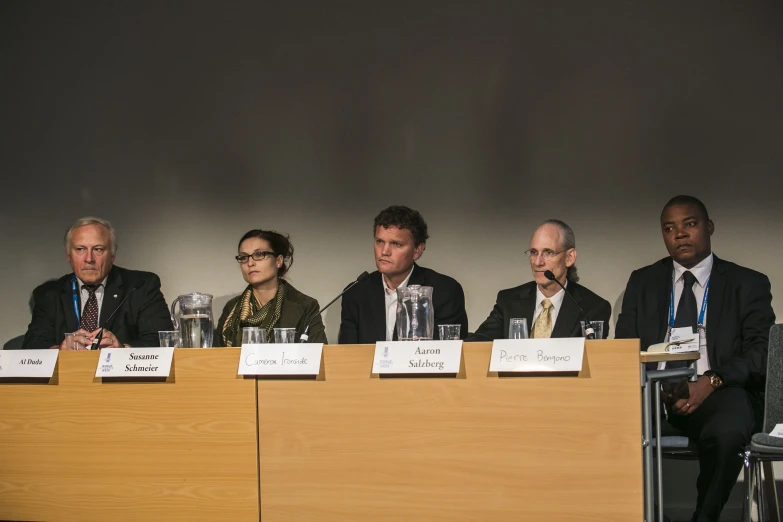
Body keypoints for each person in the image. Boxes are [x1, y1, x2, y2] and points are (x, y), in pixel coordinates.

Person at [616, 195, 775, 522]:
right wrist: (651, 388)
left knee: (731, 429)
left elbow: (761, 353)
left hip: (716, 392)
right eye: (669, 228)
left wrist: (711, 381)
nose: (680, 234)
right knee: (599, 426)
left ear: (709, 227)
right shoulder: (643, 281)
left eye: (690, 224)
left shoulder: (746, 283)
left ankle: (705, 517)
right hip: (652, 396)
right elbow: (625, 347)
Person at [21, 216, 173, 350]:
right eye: (80, 249)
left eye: (98, 249)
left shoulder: (141, 286)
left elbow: (163, 342)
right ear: (68, 255)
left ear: (112, 255)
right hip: (70, 378)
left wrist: (123, 349)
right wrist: (60, 350)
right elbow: (33, 345)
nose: (89, 258)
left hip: (121, 379)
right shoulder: (49, 294)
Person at [338, 205, 468, 344]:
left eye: (396, 244)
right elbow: (347, 355)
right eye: (380, 242)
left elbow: (446, 354)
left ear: (417, 250)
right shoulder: (356, 293)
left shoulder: (444, 291)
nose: (385, 251)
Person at [468, 219, 611, 341]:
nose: (538, 262)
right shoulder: (509, 301)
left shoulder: (592, 308)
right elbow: (479, 342)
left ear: (570, 258)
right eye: (533, 253)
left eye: (548, 253)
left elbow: (595, 359)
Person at [214, 229, 326, 346]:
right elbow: (215, 356)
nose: (250, 263)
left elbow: (318, 356)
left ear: (278, 261)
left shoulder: (306, 306)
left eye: (259, 254)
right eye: (243, 257)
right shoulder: (232, 308)